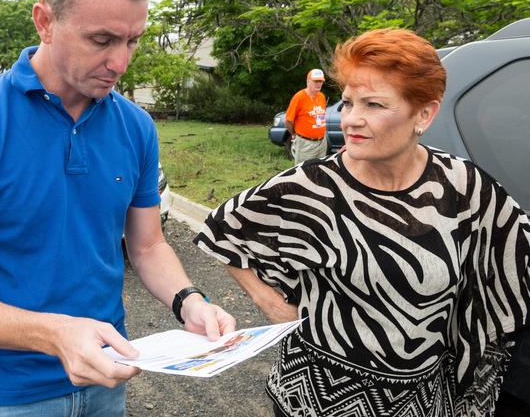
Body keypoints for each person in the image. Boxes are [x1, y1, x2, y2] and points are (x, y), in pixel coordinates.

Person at [0, 0, 235, 416]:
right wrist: (56, 333)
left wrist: (189, 300)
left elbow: (146, 246)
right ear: (45, 21)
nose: (120, 62)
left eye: (132, 40)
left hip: (106, 384)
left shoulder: (136, 127)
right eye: (101, 39)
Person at [195, 28, 530, 417]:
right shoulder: (312, 185)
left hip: (420, 403)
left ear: (424, 113)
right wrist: (271, 302)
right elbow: (225, 232)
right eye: (349, 102)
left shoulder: (462, 185)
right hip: (316, 399)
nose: (351, 119)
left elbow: (515, 258)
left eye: (373, 105)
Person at [285, 68, 328, 163]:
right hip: (306, 143)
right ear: (308, 81)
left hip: (322, 142)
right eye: (316, 81)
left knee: (319, 169)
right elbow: (288, 120)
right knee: (303, 172)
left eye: (321, 81)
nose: (319, 84)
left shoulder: (321, 96)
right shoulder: (299, 97)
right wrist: (294, 134)